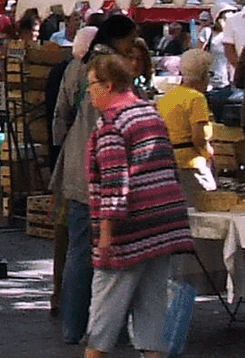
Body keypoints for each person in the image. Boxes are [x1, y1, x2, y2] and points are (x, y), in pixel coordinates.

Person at [81, 53, 194, 358]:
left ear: (109, 85)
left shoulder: (112, 124)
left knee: (103, 318)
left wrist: (106, 236)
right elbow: (169, 167)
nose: (89, 91)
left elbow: (114, 185)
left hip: (129, 233)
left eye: (92, 84)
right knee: (151, 316)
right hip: (161, 228)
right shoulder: (149, 112)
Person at [50, 14, 140, 343]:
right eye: (131, 40)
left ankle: (73, 327)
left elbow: (60, 117)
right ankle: (108, 329)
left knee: (77, 252)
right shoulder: (114, 69)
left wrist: (63, 153)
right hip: (107, 167)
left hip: (75, 166)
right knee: (110, 251)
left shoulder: (77, 65)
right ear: (119, 39)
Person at [157, 50, 216, 198]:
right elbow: (198, 138)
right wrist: (209, 154)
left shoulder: (168, 96)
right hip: (192, 164)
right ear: (204, 75)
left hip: (169, 161)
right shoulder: (197, 98)